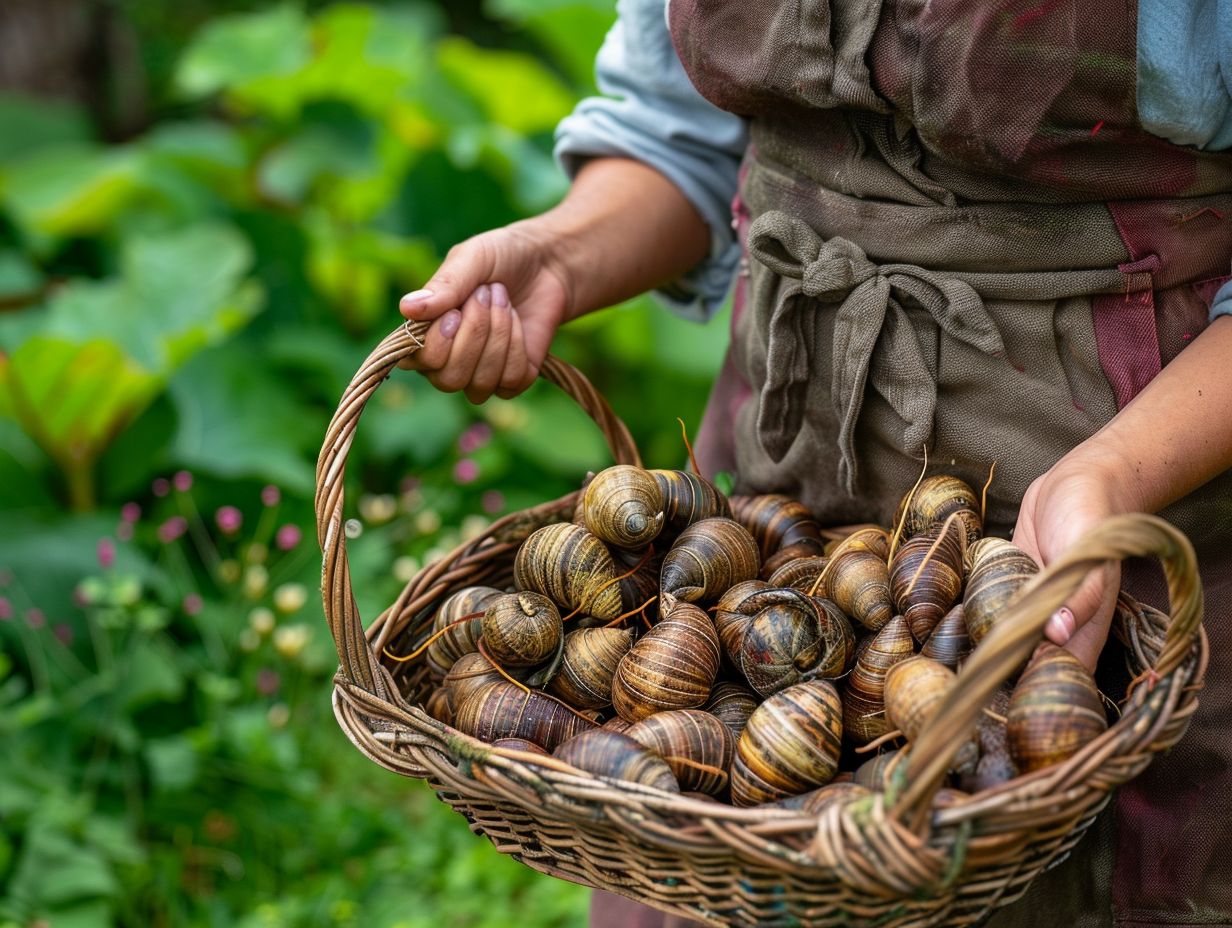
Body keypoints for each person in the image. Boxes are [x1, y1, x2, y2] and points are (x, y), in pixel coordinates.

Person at [399, 1, 1232, 924]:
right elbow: (679, 136)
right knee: (720, 841)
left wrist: (1109, 477)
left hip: (1121, 479)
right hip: (775, 466)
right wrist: (559, 252)